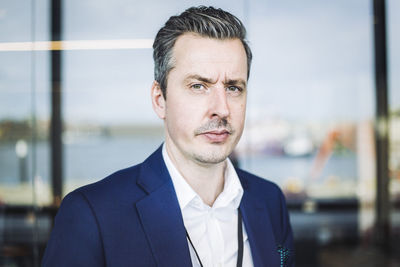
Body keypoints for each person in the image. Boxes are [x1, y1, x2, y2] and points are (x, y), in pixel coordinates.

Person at [42, 6, 294, 267]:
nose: (222, 108)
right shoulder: (91, 214)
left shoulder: (269, 201)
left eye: (233, 87)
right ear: (159, 99)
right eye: (198, 86)